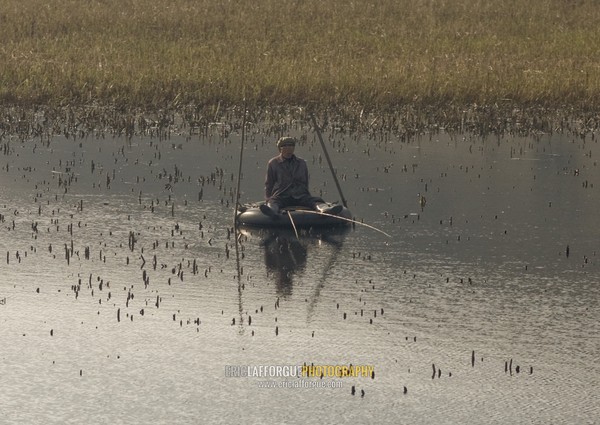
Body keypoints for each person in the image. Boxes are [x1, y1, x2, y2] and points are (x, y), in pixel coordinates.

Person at [260, 136, 342, 218]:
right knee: (273, 202)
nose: (289, 148)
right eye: (285, 146)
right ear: (280, 148)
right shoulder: (273, 163)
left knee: (315, 200)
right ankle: (272, 211)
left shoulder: (301, 163)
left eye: (291, 145)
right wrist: (268, 198)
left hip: (300, 195)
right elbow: (269, 183)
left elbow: (305, 181)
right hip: (282, 195)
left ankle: (325, 210)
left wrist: (306, 194)